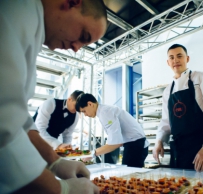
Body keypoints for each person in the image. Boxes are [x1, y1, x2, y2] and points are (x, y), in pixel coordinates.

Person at [0, 0, 107, 193]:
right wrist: (60, 188)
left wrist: (55, 162)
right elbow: (4, 125)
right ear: (72, 2)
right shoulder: (17, 9)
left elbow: (23, 124)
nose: (77, 49)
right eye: (83, 36)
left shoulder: (33, 31)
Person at [153, 44, 203, 172]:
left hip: (201, 147)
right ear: (168, 62)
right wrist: (159, 140)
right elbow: (166, 122)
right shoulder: (167, 91)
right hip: (179, 152)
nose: (175, 60)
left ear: (187, 59)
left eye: (179, 56)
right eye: (172, 57)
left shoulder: (201, 78)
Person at [75, 93, 149, 168]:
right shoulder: (104, 111)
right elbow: (116, 141)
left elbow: (116, 142)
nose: (85, 115)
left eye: (84, 111)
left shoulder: (105, 112)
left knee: (129, 176)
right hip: (135, 144)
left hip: (135, 145)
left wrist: (93, 153)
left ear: (90, 104)